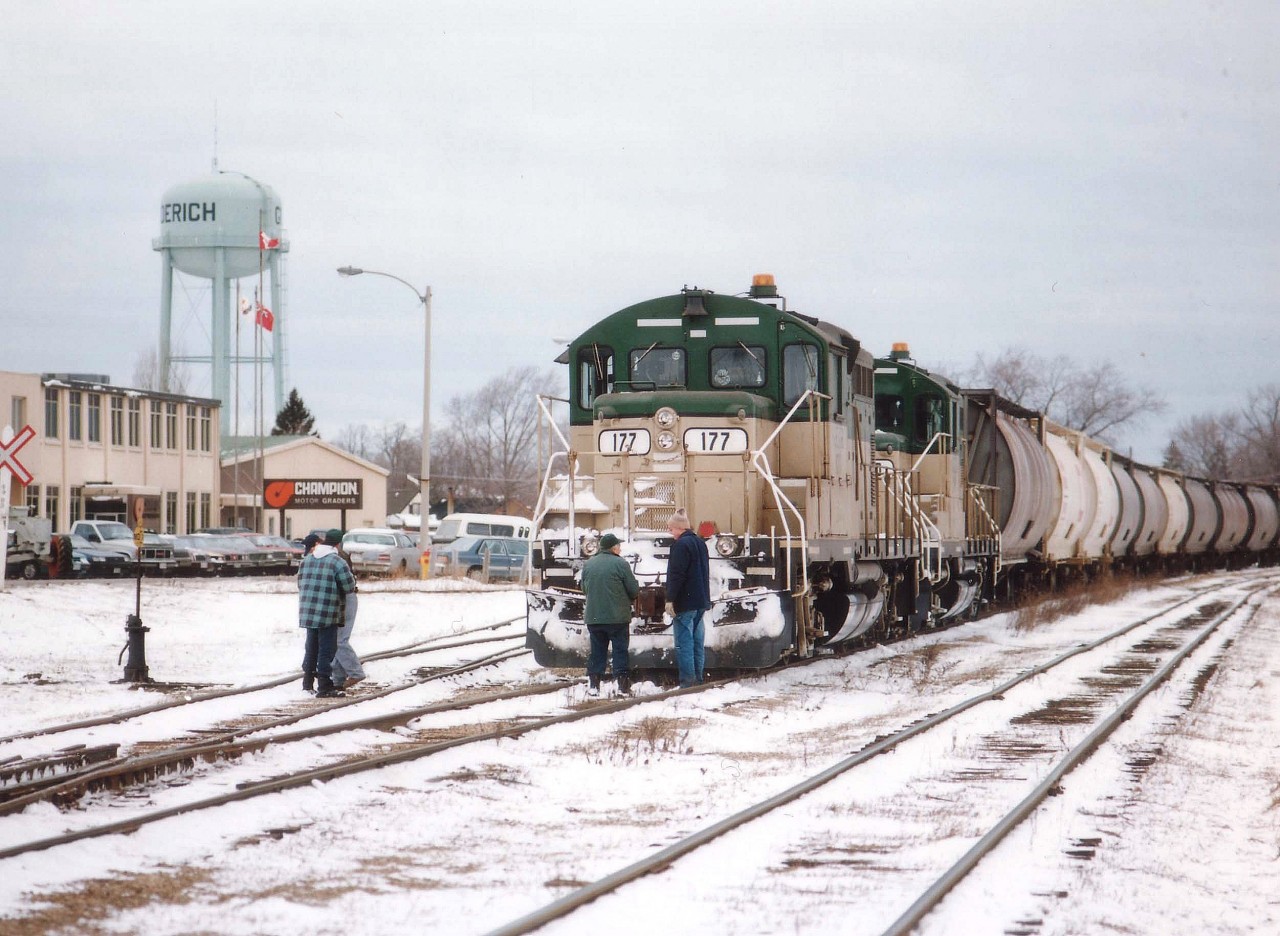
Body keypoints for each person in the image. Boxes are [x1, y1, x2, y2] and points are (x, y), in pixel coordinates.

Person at [297, 526, 357, 698]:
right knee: (326, 649)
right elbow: (348, 587)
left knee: (311, 647)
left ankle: (307, 682)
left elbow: (300, 584)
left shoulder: (307, 560)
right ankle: (324, 685)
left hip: (308, 611)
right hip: (328, 612)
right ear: (338, 544)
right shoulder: (337, 562)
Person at [580, 532, 640, 695]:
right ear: (613, 548)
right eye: (619, 546)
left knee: (597, 652)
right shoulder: (620, 564)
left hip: (594, 618)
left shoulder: (589, 564)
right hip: (617, 618)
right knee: (620, 651)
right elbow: (633, 590)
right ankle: (622, 686)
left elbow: (583, 588)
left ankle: (593, 685)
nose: (620, 549)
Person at [665, 508, 710, 688]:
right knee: (697, 643)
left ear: (679, 528)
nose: (669, 532)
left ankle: (687, 683)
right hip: (700, 601)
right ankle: (698, 680)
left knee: (684, 645)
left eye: (671, 528)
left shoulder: (680, 546)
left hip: (685, 603)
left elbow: (677, 575)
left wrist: (670, 599)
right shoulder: (700, 543)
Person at [323, 528, 366, 690]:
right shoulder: (342, 556)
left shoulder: (335, 557)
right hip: (343, 598)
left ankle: (355, 672)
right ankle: (338, 679)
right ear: (340, 541)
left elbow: (345, 583)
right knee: (338, 639)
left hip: (343, 599)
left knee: (338, 640)